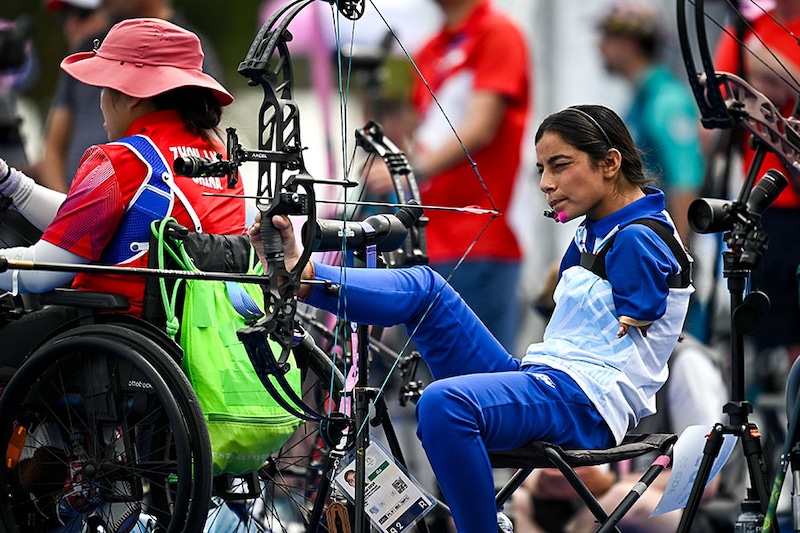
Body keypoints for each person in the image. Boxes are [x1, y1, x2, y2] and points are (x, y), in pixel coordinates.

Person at [250, 104, 694, 533]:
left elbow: (647, 299)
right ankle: (305, 277)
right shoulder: (599, 223)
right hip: (546, 381)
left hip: (584, 405)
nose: (545, 183)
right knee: (426, 288)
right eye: (541, 169)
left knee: (445, 404)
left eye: (560, 166)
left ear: (610, 163)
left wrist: (633, 307)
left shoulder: (640, 235)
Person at [0, 18, 245, 378]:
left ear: (131, 94)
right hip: (199, 346)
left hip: (113, 337)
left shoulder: (123, 160)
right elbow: (86, 223)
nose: (98, 103)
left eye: (103, 87)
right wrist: (13, 184)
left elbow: (42, 271)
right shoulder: (217, 157)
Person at [511, 334, 739, 533]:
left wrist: (607, 482)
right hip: (598, 502)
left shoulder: (687, 363)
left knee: (621, 500)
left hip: (701, 511)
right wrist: (541, 481)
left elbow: (705, 480)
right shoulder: (595, 359)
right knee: (517, 502)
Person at [407, 0, 531, 352]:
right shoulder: (432, 46)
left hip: (481, 239)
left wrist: (407, 169)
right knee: (427, 384)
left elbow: (481, 126)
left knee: (481, 384)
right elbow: (422, 134)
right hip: (427, 238)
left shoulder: (497, 32)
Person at [713, 0, 800, 379]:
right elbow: (720, 100)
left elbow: (767, 73)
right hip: (767, 199)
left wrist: (766, 64)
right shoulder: (746, 30)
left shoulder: (755, 40)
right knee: (768, 318)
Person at [597, 1, 704, 244]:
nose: (600, 46)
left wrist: (679, 256)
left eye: (607, 36)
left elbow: (686, 180)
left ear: (629, 42)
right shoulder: (641, 100)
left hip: (663, 254)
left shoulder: (667, 100)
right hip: (647, 242)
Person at [32, 0, 111, 193]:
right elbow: (52, 149)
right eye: (64, 16)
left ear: (112, 8)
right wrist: (64, 210)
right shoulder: (73, 62)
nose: (71, 24)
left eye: (82, 14)